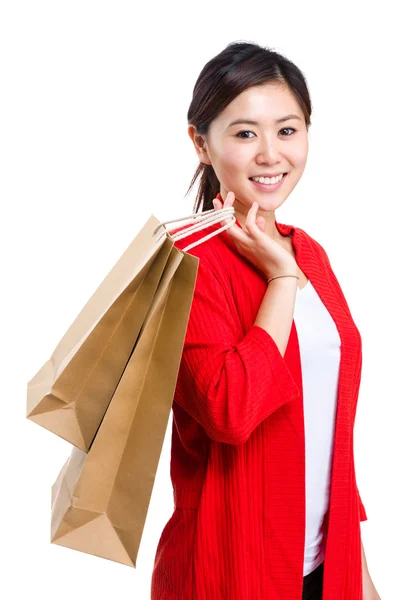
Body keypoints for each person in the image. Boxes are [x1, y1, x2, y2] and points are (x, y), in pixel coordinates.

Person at [151, 41, 380, 600]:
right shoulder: (187, 262)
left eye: (287, 130)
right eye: (245, 132)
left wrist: (361, 578)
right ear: (201, 143)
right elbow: (231, 412)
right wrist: (279, 282)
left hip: (326, 568)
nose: (271, 154)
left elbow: (331, 434)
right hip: (230, 568)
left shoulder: (311, 255)